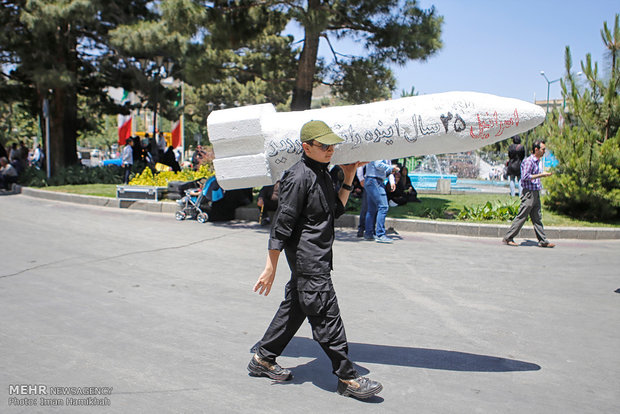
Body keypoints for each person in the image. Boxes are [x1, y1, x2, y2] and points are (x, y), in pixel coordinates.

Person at [248, 120, 382, 400]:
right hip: (309, 260)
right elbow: (281, 225)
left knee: (296, 308)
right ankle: (347, 378)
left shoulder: (323, 173)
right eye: (324, 146)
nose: (330, 149)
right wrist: (270, 266)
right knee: (326, 315)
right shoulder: (298, 177)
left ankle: (262, 358)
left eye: (332, 145)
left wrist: (348, 176)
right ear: (306, 146)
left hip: (317, 257)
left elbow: (334, 210)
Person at [502, 140, 555, 248]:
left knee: (537, 218)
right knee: (522, 216)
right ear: (536, 150)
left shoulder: (536, 162)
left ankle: (543, 240)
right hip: (529, 194)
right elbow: (525, 176)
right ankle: (508, 237)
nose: (544, 151)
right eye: (543, 149)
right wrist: (541, 175)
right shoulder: (529, 161)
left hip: (535, 193)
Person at [364, 159, 399, 243]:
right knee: (383, 207)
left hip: (371, 180)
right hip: (375, 181)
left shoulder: (377, 150)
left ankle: (369, 233)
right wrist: (391, 167)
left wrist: (391, 180)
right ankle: (380, 234)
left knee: (371, 209)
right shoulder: (379, 150)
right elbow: (378, 164)